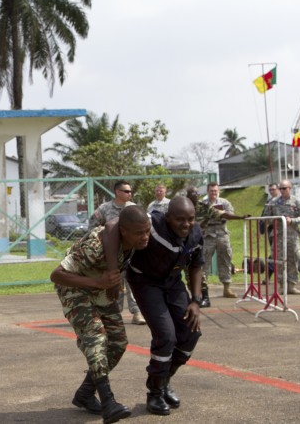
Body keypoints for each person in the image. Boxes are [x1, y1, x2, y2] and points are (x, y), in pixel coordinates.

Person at [51, 206, 151, 423]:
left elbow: (114, 225)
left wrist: (107, 282)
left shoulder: (133, 241)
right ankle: (108, 401)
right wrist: (97, 282)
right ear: (125, 231)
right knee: (95, 336)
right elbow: (57, 275)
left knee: (118, 342)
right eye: (139, 233)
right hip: (75, 289)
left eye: (147, 231)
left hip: (101, 290)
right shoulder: (95, 247)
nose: (145, 237)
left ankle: (85, 393)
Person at [124, 196, 203, 416]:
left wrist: (196, 301)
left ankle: (165, 380)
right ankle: (154, 393)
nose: (186, 224)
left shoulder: (195, 234)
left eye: (190, 219)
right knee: (166, 336)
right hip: (145, 281)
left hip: (173, 282)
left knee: (190, 332)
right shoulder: (153, 225)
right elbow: (118, 226)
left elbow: (196, 266)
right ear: (168, 217)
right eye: (180, 219)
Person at [89, 180, 146, 325]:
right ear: (117, 192)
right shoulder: (105, 209)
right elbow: (92, 227)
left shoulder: (134, 209)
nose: (130, 194)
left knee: (133, 284)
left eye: (130, 191)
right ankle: (115, 313)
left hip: (133, 254)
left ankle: (137, 312)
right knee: (115, 283)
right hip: (113, 255)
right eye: (126, 191)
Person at [186, 186, 248, 307]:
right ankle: (191, 297)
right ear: (187, 195)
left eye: (197, 193)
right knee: (185, 272)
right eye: (193, 193)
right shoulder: (182, 207)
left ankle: (204, 298)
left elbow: (222, 214)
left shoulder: (204, 208)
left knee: (199, 269)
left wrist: (240, 217)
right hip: (184, 243)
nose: (196, 195)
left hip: (198, 243)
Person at [262, 179, 300, 295]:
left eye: (284, 188)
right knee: (279, 261)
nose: (282, 191)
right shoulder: (273, 202)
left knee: (294, 258)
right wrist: (274, 220)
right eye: (280, 188)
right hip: (278, 235)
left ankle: (291, 285)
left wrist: (292, 220)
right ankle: (282, 285)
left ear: (290, 188)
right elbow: (265, 218)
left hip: (292, 235)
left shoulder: (297, 202)